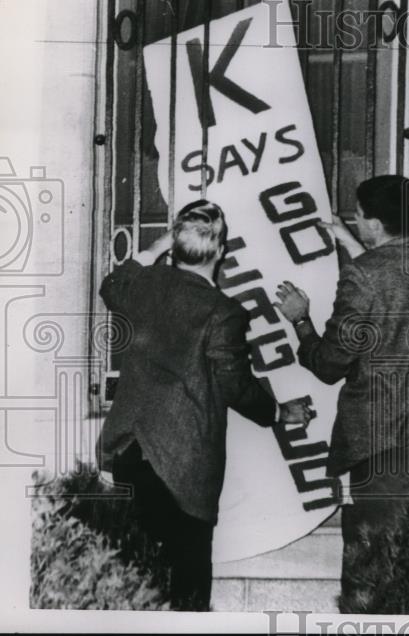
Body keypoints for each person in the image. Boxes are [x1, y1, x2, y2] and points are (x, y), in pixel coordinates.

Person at [274, 175, 409, 614]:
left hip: (392, 451)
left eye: (358, 214)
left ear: (373, 221)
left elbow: (330, 364)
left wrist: (301, 321)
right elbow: (396, 277)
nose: (354, 218)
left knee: (378, 582)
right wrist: (350, 241)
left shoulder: (363, 276)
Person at [97, 199, 313, 611]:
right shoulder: (223, 313)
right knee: (186, 588)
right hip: (183, 469)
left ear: (175, 247)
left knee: (132, 584)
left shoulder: (145, 285)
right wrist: (282, 412)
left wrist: (158, 244)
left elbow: (111, 285)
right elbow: (234, 384)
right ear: (221, 251)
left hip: (128, 452)